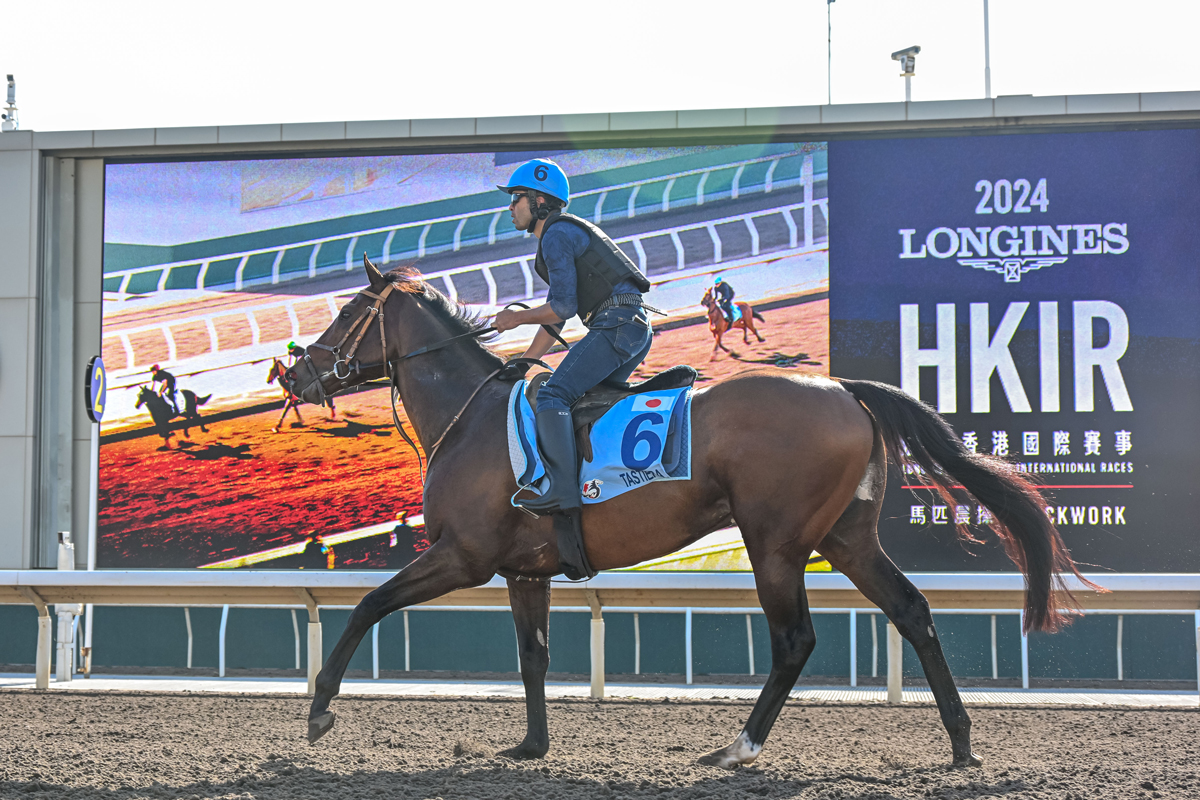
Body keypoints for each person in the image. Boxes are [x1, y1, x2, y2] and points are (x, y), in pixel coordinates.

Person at [492, 159, 655, 570]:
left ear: (540, 201)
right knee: (580, 400)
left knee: (552, 395)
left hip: (616, 325)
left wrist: (514, 318)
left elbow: (560, 306)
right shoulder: (561, 234)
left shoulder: (558, 235)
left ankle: (563, 492)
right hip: (628, 326)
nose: (511, 208)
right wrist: (527, 359)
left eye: (516, 199)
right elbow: (560, 318)